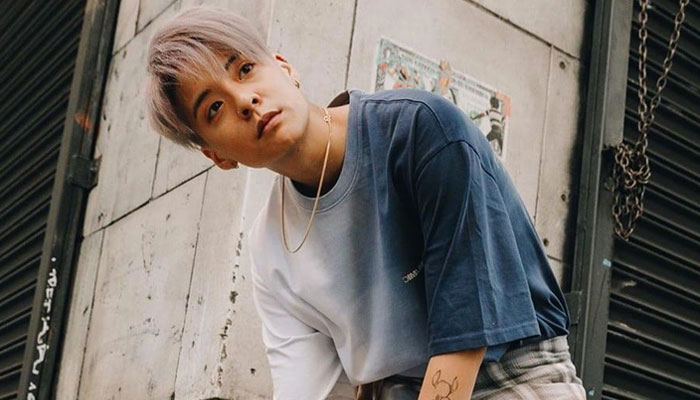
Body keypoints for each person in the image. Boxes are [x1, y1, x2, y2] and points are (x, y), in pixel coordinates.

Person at [145, 6, 586, 400]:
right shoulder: (268, 246)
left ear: (284, 67)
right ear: (217, 156)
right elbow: (304, 389)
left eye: (244, 69)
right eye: (214, 108)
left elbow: (465, 340)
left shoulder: (422, 131)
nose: (245, 100)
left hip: (511, 374)